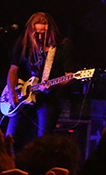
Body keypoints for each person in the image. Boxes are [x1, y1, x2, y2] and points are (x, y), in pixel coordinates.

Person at [5, 13, 75, 144]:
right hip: (23, 95)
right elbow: (13, 70)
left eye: (44, 33)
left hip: (48, 98)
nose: (40, 37)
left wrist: (53, 85)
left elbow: (69, 76)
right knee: (10, 136)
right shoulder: (24, 43)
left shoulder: (63, 46)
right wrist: (12, 92)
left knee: (43, 138)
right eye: (36, 33)